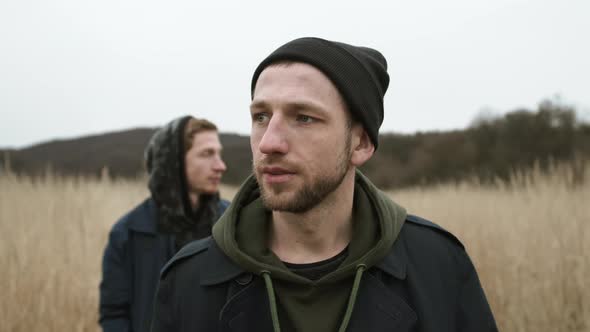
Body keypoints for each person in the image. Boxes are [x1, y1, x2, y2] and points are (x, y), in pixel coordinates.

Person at [151, 38, 497, 332]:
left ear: (360, 143)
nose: (269, 142)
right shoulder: (188, 280)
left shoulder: (437, 265)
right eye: (261, 117)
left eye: (304, 117)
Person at [99, 116, 229, 332]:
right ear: (174, 162)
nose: (220, 166)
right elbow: (114, 314)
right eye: (207, 154)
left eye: (219, 154)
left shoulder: (232, 224)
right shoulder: (128, 233)